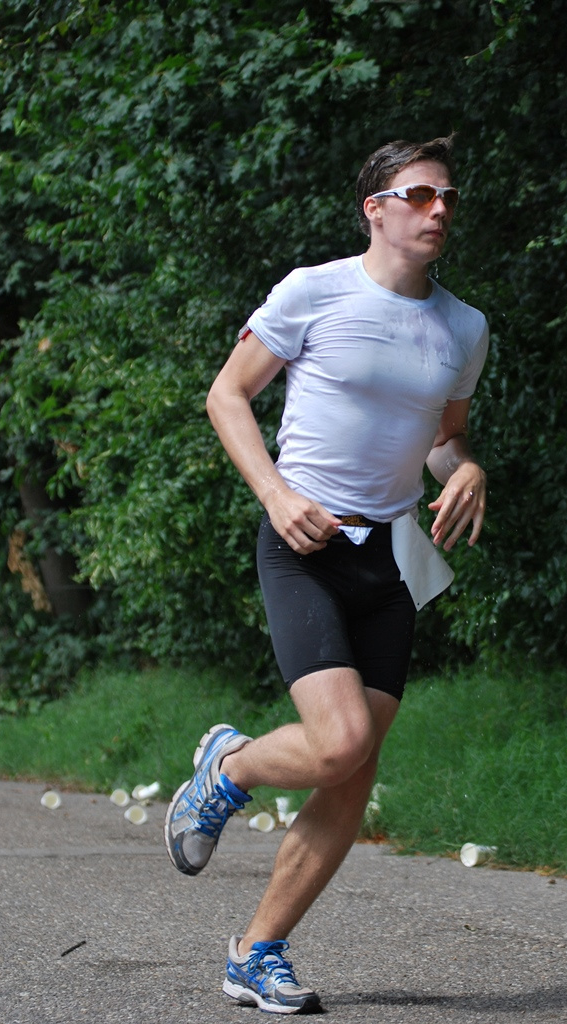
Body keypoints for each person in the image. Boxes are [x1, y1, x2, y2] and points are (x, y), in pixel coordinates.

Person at [164, 135, 489, 1014]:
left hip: (389, 558)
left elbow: (443, 437)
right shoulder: (314, 290)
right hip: (303, 543)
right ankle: (229, 766)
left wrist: (464, 467)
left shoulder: (463, 327)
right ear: (374, 209)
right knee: (340, 741)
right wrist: (275, 495)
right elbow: (227, 395)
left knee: (351, 771)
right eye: (419, 194)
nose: (438, 209)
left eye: (448, 197)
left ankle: (255, 953)